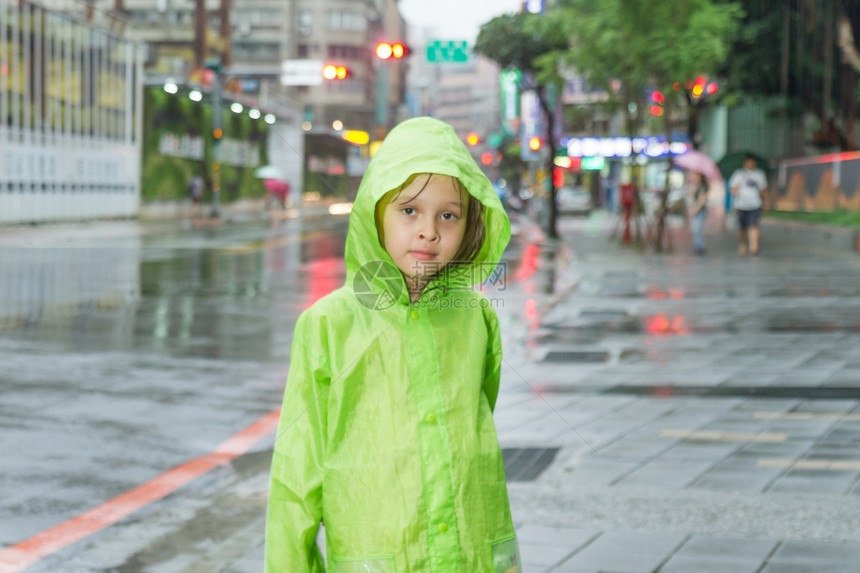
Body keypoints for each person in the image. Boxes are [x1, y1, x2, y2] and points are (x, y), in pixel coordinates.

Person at [265, 117, 520, 572]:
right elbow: (295, 471)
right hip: (380, 552)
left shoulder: (475, 317)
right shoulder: (329, 324)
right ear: (374, 213)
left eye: (449, 214)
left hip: (473, 549)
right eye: (409, 210)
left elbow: (476, 417)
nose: (429, 231)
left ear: (470, 223)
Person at [728, 154, 767, 255]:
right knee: (742, 227)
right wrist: (736, 189)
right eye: (748, 161)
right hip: (741, 205)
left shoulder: (759, 174)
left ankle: (754, 246)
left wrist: (765, 201)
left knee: (754, 226)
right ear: (745, 163)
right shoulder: (738, 174)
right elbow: (732, 189)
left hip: (755, 204)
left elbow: (763, 189)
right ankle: (742, 245)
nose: (751, 163)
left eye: (752, 161)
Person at [690, 173, 710, 255]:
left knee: (697, 229)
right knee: (695, 229)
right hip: (697, 210)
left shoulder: (703, 187)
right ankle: (698, 246)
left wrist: (694, 210)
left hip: (700, 211)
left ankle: (700, 247)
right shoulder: (697, 187)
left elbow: (702, 201)